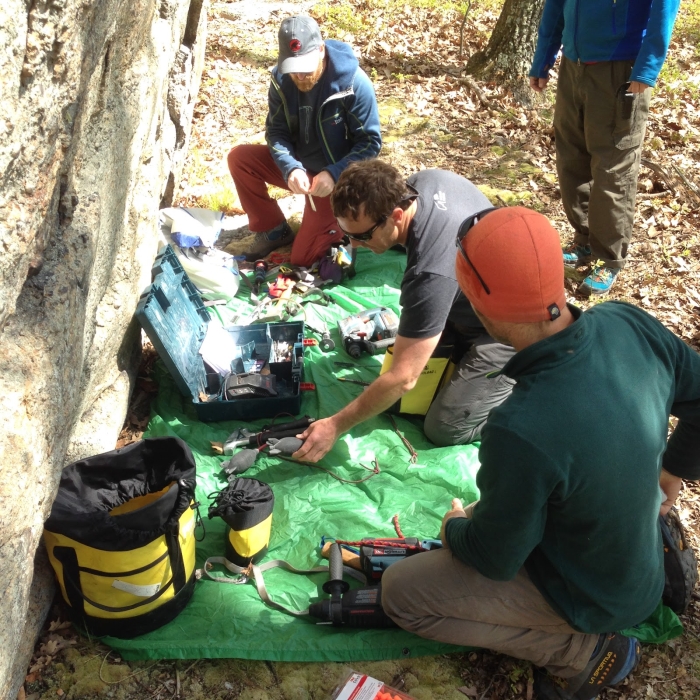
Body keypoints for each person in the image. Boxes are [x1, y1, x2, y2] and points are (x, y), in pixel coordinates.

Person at [380, 206, 700, 700]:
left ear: (475, 297)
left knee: (402, 595)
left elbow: (496, 557)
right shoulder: (627, 321)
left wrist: (454, 529)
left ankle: (581, 653)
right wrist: (674, 469)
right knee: (517, 501)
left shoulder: (521, 427)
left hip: (594, 598)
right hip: (633, 564)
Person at [293, 160, 516, 463]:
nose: (354, 246)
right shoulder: (420, 183)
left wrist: (334, 425)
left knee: (444, 427)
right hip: (473, 297)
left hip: (506, 332)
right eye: (348, 235)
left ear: (396, 215)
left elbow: (403, 378)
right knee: (408, 398)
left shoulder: (430, 272)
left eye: (362, 236)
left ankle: (520, 395)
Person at [529, 0, 681, 295]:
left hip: (620, 69)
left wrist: (646, 69)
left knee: (613, 168)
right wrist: (543, 58)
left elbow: (664, 8)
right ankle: (583, 239)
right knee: (571, 157)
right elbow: (556, 5)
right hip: (573, 67)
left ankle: (609, 259)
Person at [227, 16, 381, 267]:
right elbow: (276, 131)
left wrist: (334, 174)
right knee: (240, 159)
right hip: (301, 167)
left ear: (320, 50)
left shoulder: (352, 83)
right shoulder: (280, 79)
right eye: (292, 67)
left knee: (302, 259)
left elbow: (369, 144)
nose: (299, 75)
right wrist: (290, 167)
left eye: (306, 66)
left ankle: (339, 225)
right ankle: (273, 230)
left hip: (336, 180)